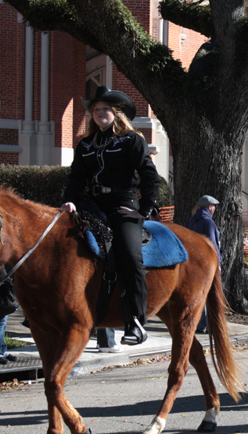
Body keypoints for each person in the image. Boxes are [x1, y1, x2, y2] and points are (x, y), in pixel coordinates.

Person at [61, 86, 160, 346]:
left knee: (129, 255)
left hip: (122, 204)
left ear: (116, 113)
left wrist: (144, 209)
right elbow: (76, 178)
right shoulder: (85, 145)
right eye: (95, 110)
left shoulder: (131, 140)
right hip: (91, 205)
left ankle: (135, 321)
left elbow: (150, 177)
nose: (99, 113)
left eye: (105, 109)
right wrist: (69, 201)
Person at [186, 195, 221, 333]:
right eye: (214, 207)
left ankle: (198, 323)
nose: (214, 210)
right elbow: (212, 245)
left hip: (192, 262)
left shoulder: (191, 221)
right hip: (206, 264)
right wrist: (217, 263)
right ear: (209, 207)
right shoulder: (208, 223)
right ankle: (209, 324)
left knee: (198, 294)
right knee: (210, 294)